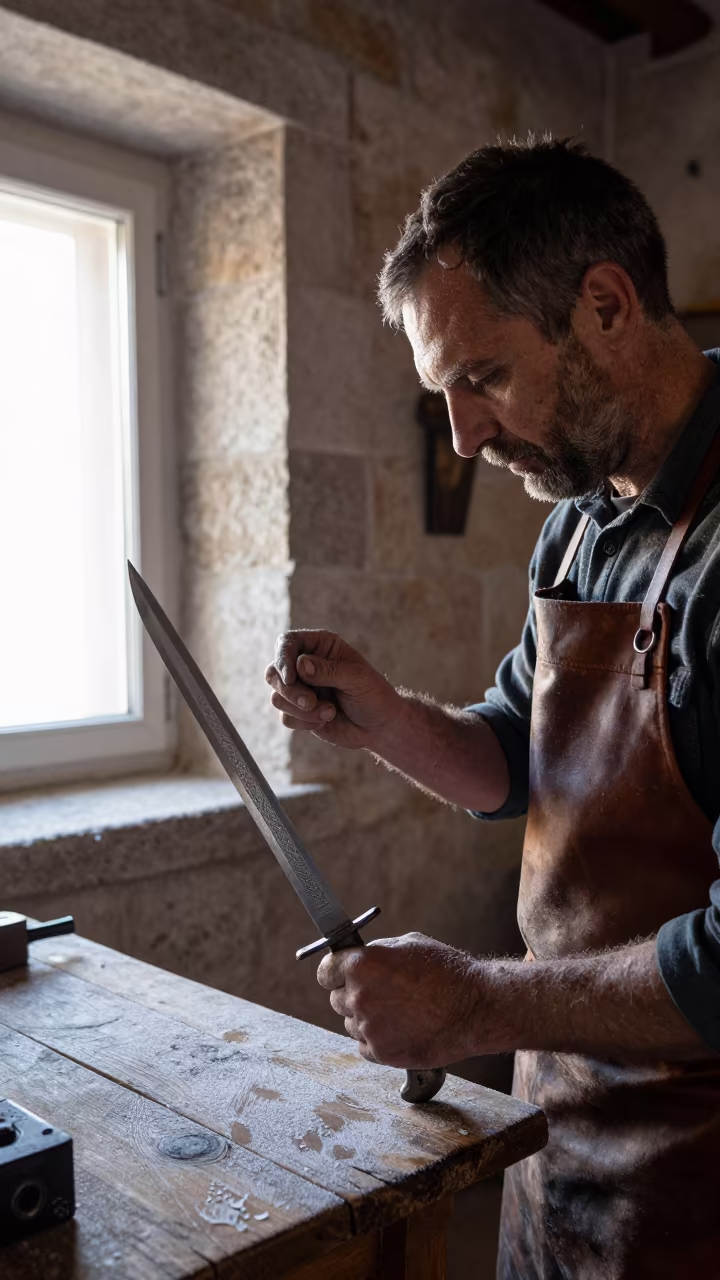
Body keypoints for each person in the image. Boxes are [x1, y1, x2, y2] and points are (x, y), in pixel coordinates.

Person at [264, 136, 720, 1279]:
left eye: (483, 377)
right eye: (444, 391)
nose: (462, 434)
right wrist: (377, 717)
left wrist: (475, 1000)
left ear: (607, 305)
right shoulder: (574, 522)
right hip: (556, 1128)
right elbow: (519, 758)